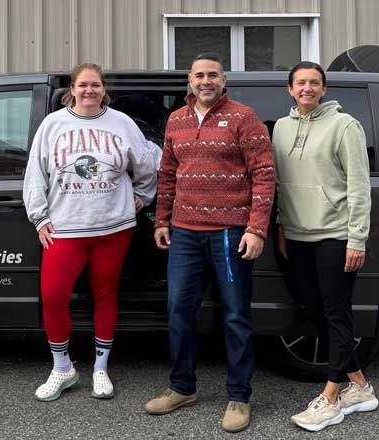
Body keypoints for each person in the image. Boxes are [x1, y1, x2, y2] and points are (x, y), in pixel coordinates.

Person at [145, 52, 275, 433]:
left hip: (230, 233)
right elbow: (167, 173)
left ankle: (239, 396)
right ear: (190, 80)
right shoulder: (176, 119)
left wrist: (256, 229)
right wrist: (162, 219)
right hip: (184, 233)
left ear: (223, 80)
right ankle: (181, 387)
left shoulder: (243, 117)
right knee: (178, 310)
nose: (206, 81)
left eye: (213, 75)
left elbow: (264, 175)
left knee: (235, 316)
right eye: (199, 75)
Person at [23, 63, 157, 402]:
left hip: (113, 227)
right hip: (65, 227)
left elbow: (146, 165)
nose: (89, 90)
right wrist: (39, 217)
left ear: (103, 89)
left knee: (105, 295)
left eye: (95, 85)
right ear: (72, 88)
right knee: (53, 295)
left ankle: (100, 367)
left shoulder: (121, 123)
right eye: (83, 85)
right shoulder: (53, 124)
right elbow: (35, 173)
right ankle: (62, 367)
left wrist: (140, 198)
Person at [273, 61, 377, 432]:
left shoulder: (345, 125)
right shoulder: (281, 127)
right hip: (296, 236)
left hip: (335, 234)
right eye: (300, 82)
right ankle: (360, 385)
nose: (307, 88)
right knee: (312, 305)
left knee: (336, 312)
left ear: (324, 88)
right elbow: (281, 182)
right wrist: (282, 224)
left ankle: (331, 398)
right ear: (290, 89)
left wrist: (357, 238)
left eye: (314, 82)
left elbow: (359, 186)